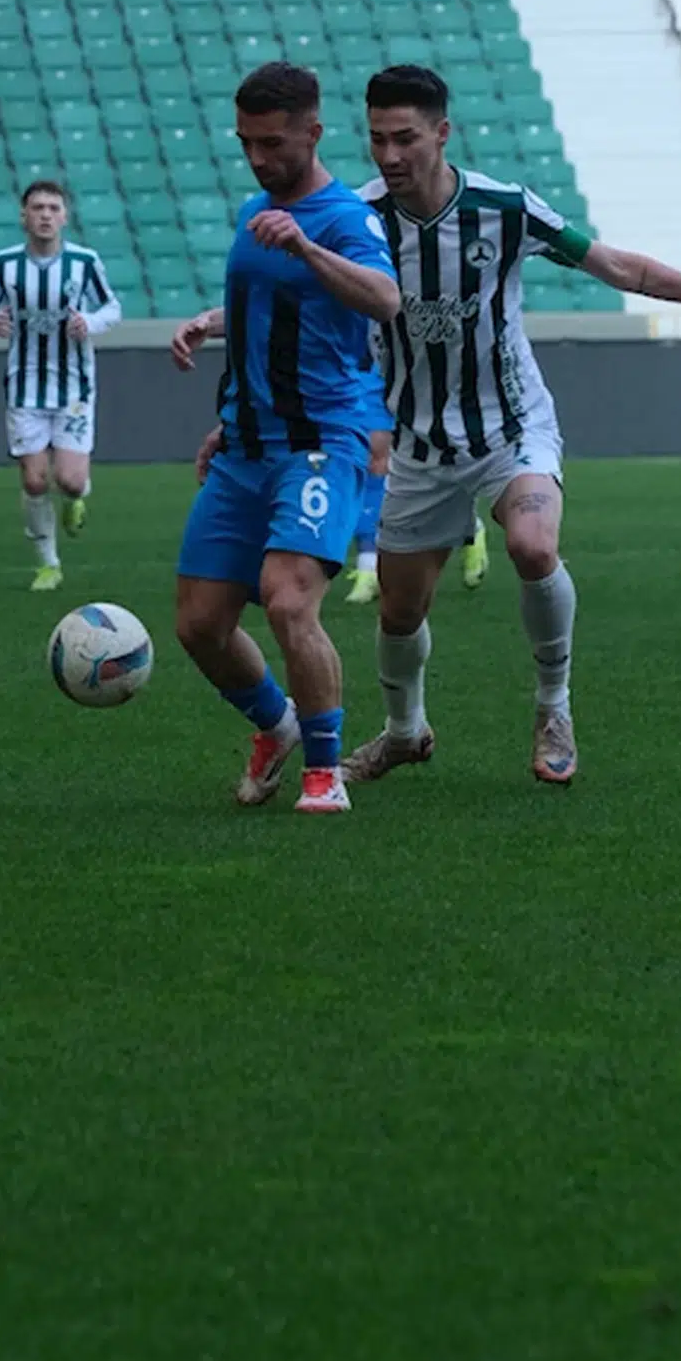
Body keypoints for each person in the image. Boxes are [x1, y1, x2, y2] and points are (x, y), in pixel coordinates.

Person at [342, 64, 681, 789]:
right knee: (400, 610)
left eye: (406, 138)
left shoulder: (503, 209)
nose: (390, 155)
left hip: (511, 426)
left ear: (442, 133)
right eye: (377, 139)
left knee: (532, 545)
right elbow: (295, 303)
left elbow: (617, 266)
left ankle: (553, 707)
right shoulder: (357, 219)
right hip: (421, 444)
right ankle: (405, 733)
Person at [170, 61, 400, 814]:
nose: (257, 158)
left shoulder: (345, 219)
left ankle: (324, 774)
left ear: (314, 132)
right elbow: (271, 314)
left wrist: (304, 247)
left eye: (272, 143)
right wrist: (212, 325)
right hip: (246, 446)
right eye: (246, 143)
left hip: (320, 441)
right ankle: (278, 725)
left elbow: (385, 299)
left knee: (288, 600)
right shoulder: (254, 213)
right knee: (200, 625)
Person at [0, 179, 121, 590]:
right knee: (34, 480)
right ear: (24, 216)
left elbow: (112, 308)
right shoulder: (4, 265)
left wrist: (91, 323)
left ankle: (75, 498)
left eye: (53, 208)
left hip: (74, 387)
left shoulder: (84, 262)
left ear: (65, 216)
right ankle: (48, 564)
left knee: (70, 480)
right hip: (25, 386)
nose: (46, 215)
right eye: (38, 208)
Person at [344, 344, 489, 605]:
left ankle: (470, 528)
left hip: (405, 367)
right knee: (368, 462)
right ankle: (368, 566)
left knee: (419, 462)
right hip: (357, 367)